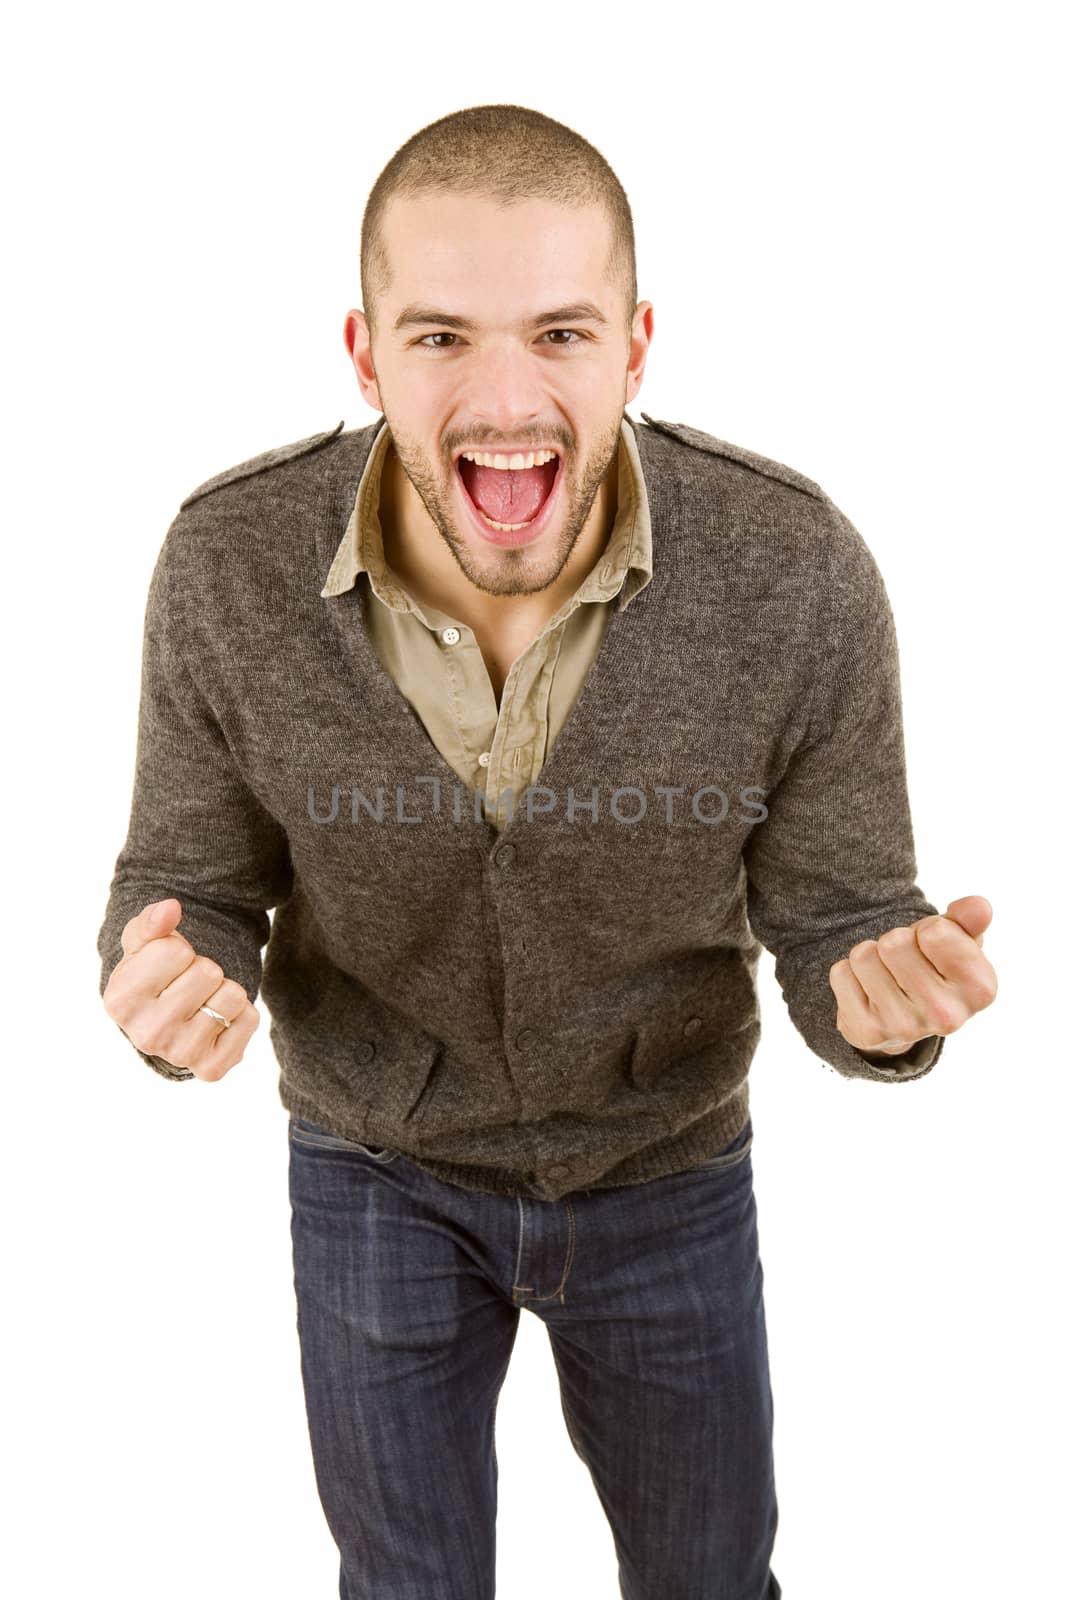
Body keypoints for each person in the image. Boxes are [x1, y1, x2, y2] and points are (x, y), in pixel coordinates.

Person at [97, 103, 998, 1600]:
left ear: (636, 348)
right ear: (364, 349)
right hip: (374, 1166)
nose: (507, 395)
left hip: (667, 1169)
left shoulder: (796, 570)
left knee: (711, 1579)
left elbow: (844, 920)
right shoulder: (226, 562)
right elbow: (182, 885)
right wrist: (166, 967)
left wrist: (878, 998)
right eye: (441, 337)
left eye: (561, 335)